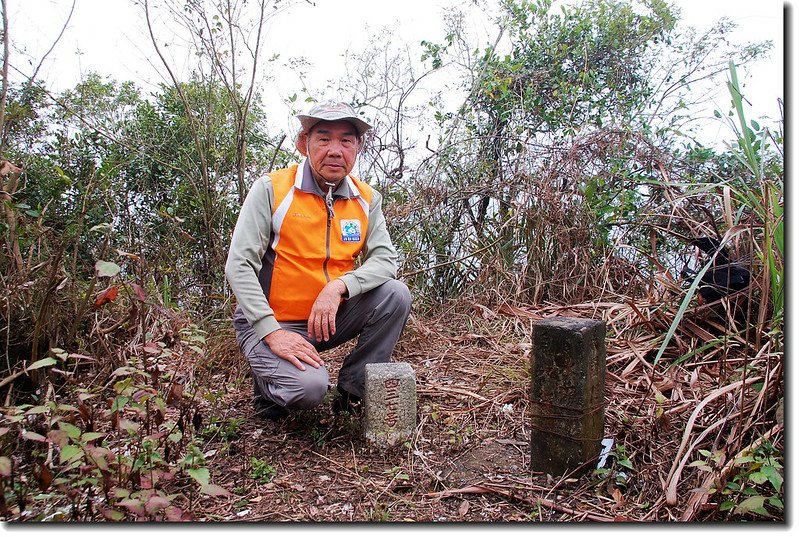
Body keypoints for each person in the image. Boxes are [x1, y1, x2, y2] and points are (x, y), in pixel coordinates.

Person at [225, 100, 411, 421]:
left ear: (358, 147)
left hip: (326, 319)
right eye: (324, 139)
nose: (335, 150)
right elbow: (238, 265)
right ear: (304, 143)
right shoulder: (273, 189)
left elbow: (384, 259)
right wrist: (272, 332)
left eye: (346, 140)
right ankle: (270, 386)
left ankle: (353, 391)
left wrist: (340, 286)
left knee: (395, 294)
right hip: (273, 321)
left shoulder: (366, 199)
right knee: (309, 389)